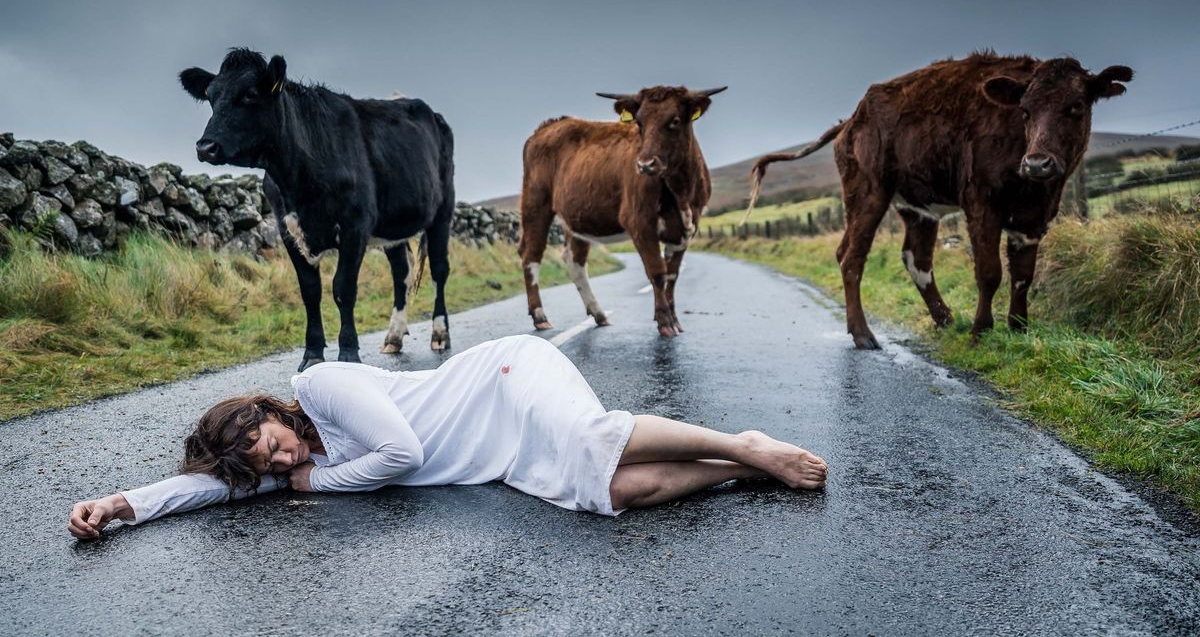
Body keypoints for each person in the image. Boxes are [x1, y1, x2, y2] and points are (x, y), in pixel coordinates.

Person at [68, 335, 828, 539]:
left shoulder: (320, 387)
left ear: (270, 413)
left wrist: (316, 482)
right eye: (267, 465)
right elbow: (204, 488)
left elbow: (403, 453)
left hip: (501, 377)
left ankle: (741, 443)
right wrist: (121, 502)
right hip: (496, 455)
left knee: (593, 436)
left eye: (273, 445)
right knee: (613, 493)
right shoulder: (262, 463)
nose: (284, 460)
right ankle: (737, 474)